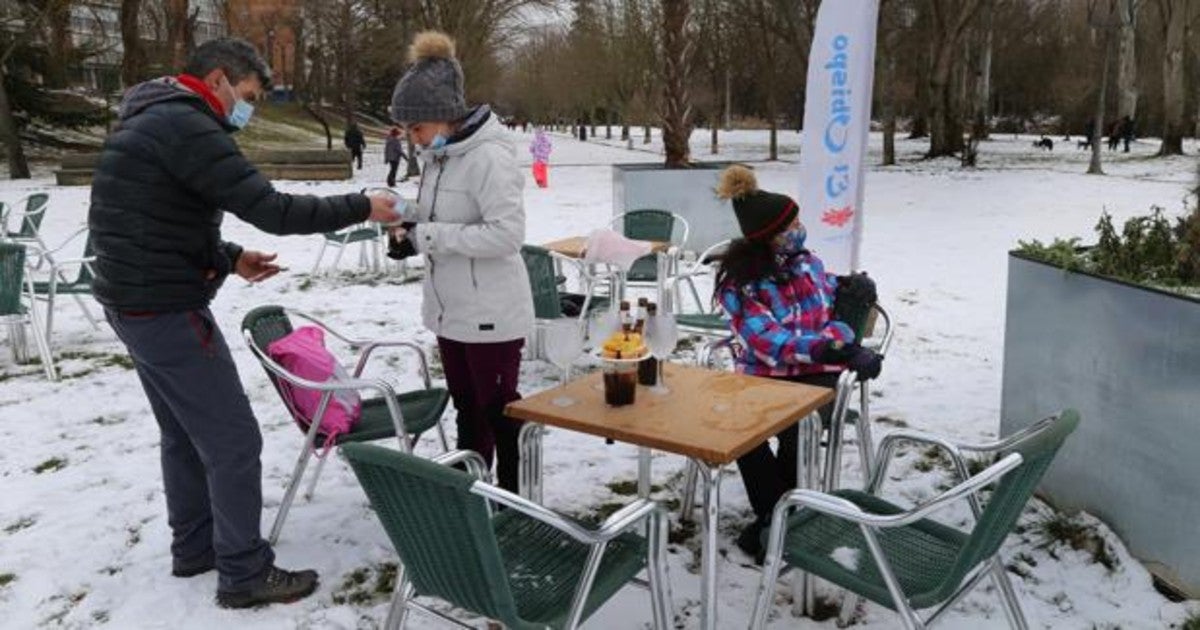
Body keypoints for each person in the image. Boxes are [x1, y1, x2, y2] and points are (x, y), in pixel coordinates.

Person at [87, 37, 400, 608]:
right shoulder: (187, 125)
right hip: (164, 308)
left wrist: (228, 257)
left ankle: (196, 547)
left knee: (184, 433)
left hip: (132, 302)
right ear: (222, 79)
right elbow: (274, 210)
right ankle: (243, 571)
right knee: (233, 441)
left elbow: (151, 219)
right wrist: (363, 206)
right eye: (249, 95)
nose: (247, 109)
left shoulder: (148, 120)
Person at [384, 31, 534, 493]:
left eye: (417, 128)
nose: (412, 139)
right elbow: (442, 219)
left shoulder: (489, 157)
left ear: (445, 117)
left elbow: (507, 235)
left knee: (498, 407)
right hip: (449, 309)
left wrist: (427, 235)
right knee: (466, 403)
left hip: (491, 310)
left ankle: (511, 494)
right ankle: (471, 486)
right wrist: (405, 222)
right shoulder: (440, 156)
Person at [712, 164, 882, 563]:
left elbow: (829, 316)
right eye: (789, 226)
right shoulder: (742, 283)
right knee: (739, 431)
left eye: (797, 222)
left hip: (817, 377)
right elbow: (764, 339)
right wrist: (826, 348)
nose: (798, 229)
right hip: (765, 373)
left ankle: (775, 523)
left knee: (797, 428)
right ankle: (779, 515)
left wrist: (845, 308)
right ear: (766, 239)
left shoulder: (808, 262)